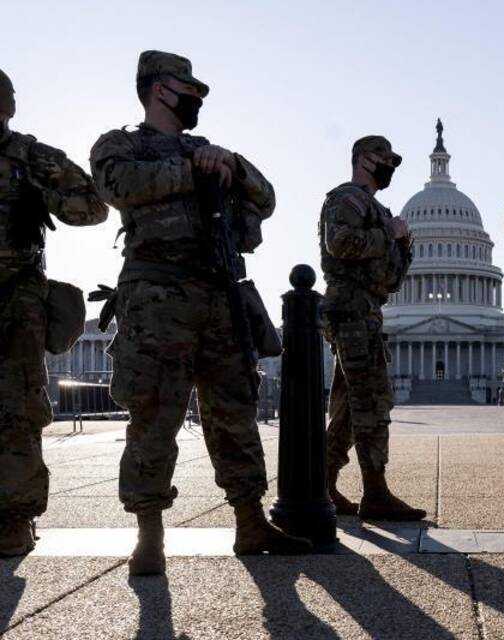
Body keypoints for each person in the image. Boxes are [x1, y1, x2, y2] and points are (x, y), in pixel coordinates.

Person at [89, 50, 310, 576]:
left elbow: (267, 198)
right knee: (153, 416)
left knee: (235, 413)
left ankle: (250, 520)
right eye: (190, 90)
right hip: (155, 299)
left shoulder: (212, 151)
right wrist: (189, 168)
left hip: (218, 296)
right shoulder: (122, 145)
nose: (197, 100)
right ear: (159, 88)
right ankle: (149, 532)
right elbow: (116, 186)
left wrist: (230, 163)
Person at [0, 69, 108, 557]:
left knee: (18, 406)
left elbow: (93, 207)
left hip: (17, 295)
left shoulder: (31, 156)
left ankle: (13, 519)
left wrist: (43, 195)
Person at [319, 135, 425, 521]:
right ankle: (375, 492)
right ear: (364, 159)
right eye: (385, 159)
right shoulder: (348, 199)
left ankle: (323, 484)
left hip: (366, 308)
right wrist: (390, 236)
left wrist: (401, 244)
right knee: (372, 402)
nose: (391, 167)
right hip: (350, 307)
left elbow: (392, 276)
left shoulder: (378, 208)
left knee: (350, 407)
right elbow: (340, 243)